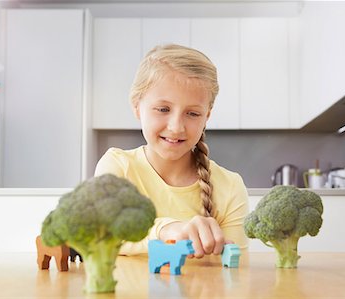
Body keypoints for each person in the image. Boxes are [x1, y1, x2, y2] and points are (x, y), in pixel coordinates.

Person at [94, 44, 248, 258]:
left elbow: (233, 273)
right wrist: (167, 230)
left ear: (207, 117)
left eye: (193, 113)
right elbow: (103, 234)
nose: (176, 127)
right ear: (137, 106)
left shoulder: (230, 187)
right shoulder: (118, 166)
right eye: (163, 109)